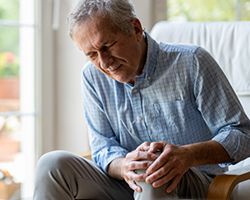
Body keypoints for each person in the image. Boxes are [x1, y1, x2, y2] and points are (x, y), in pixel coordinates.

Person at [33, 0, 250, 199]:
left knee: (153, 171)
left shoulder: (192, 62)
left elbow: (242, 135)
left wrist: (187, 155)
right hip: (127, 182)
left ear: (135, 29)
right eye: (91, 54)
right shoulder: (92, 77)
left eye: (107, 46)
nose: (104, 62)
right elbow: (103, 147)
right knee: (52, 165)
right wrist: (124, 165)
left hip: (195, 182)